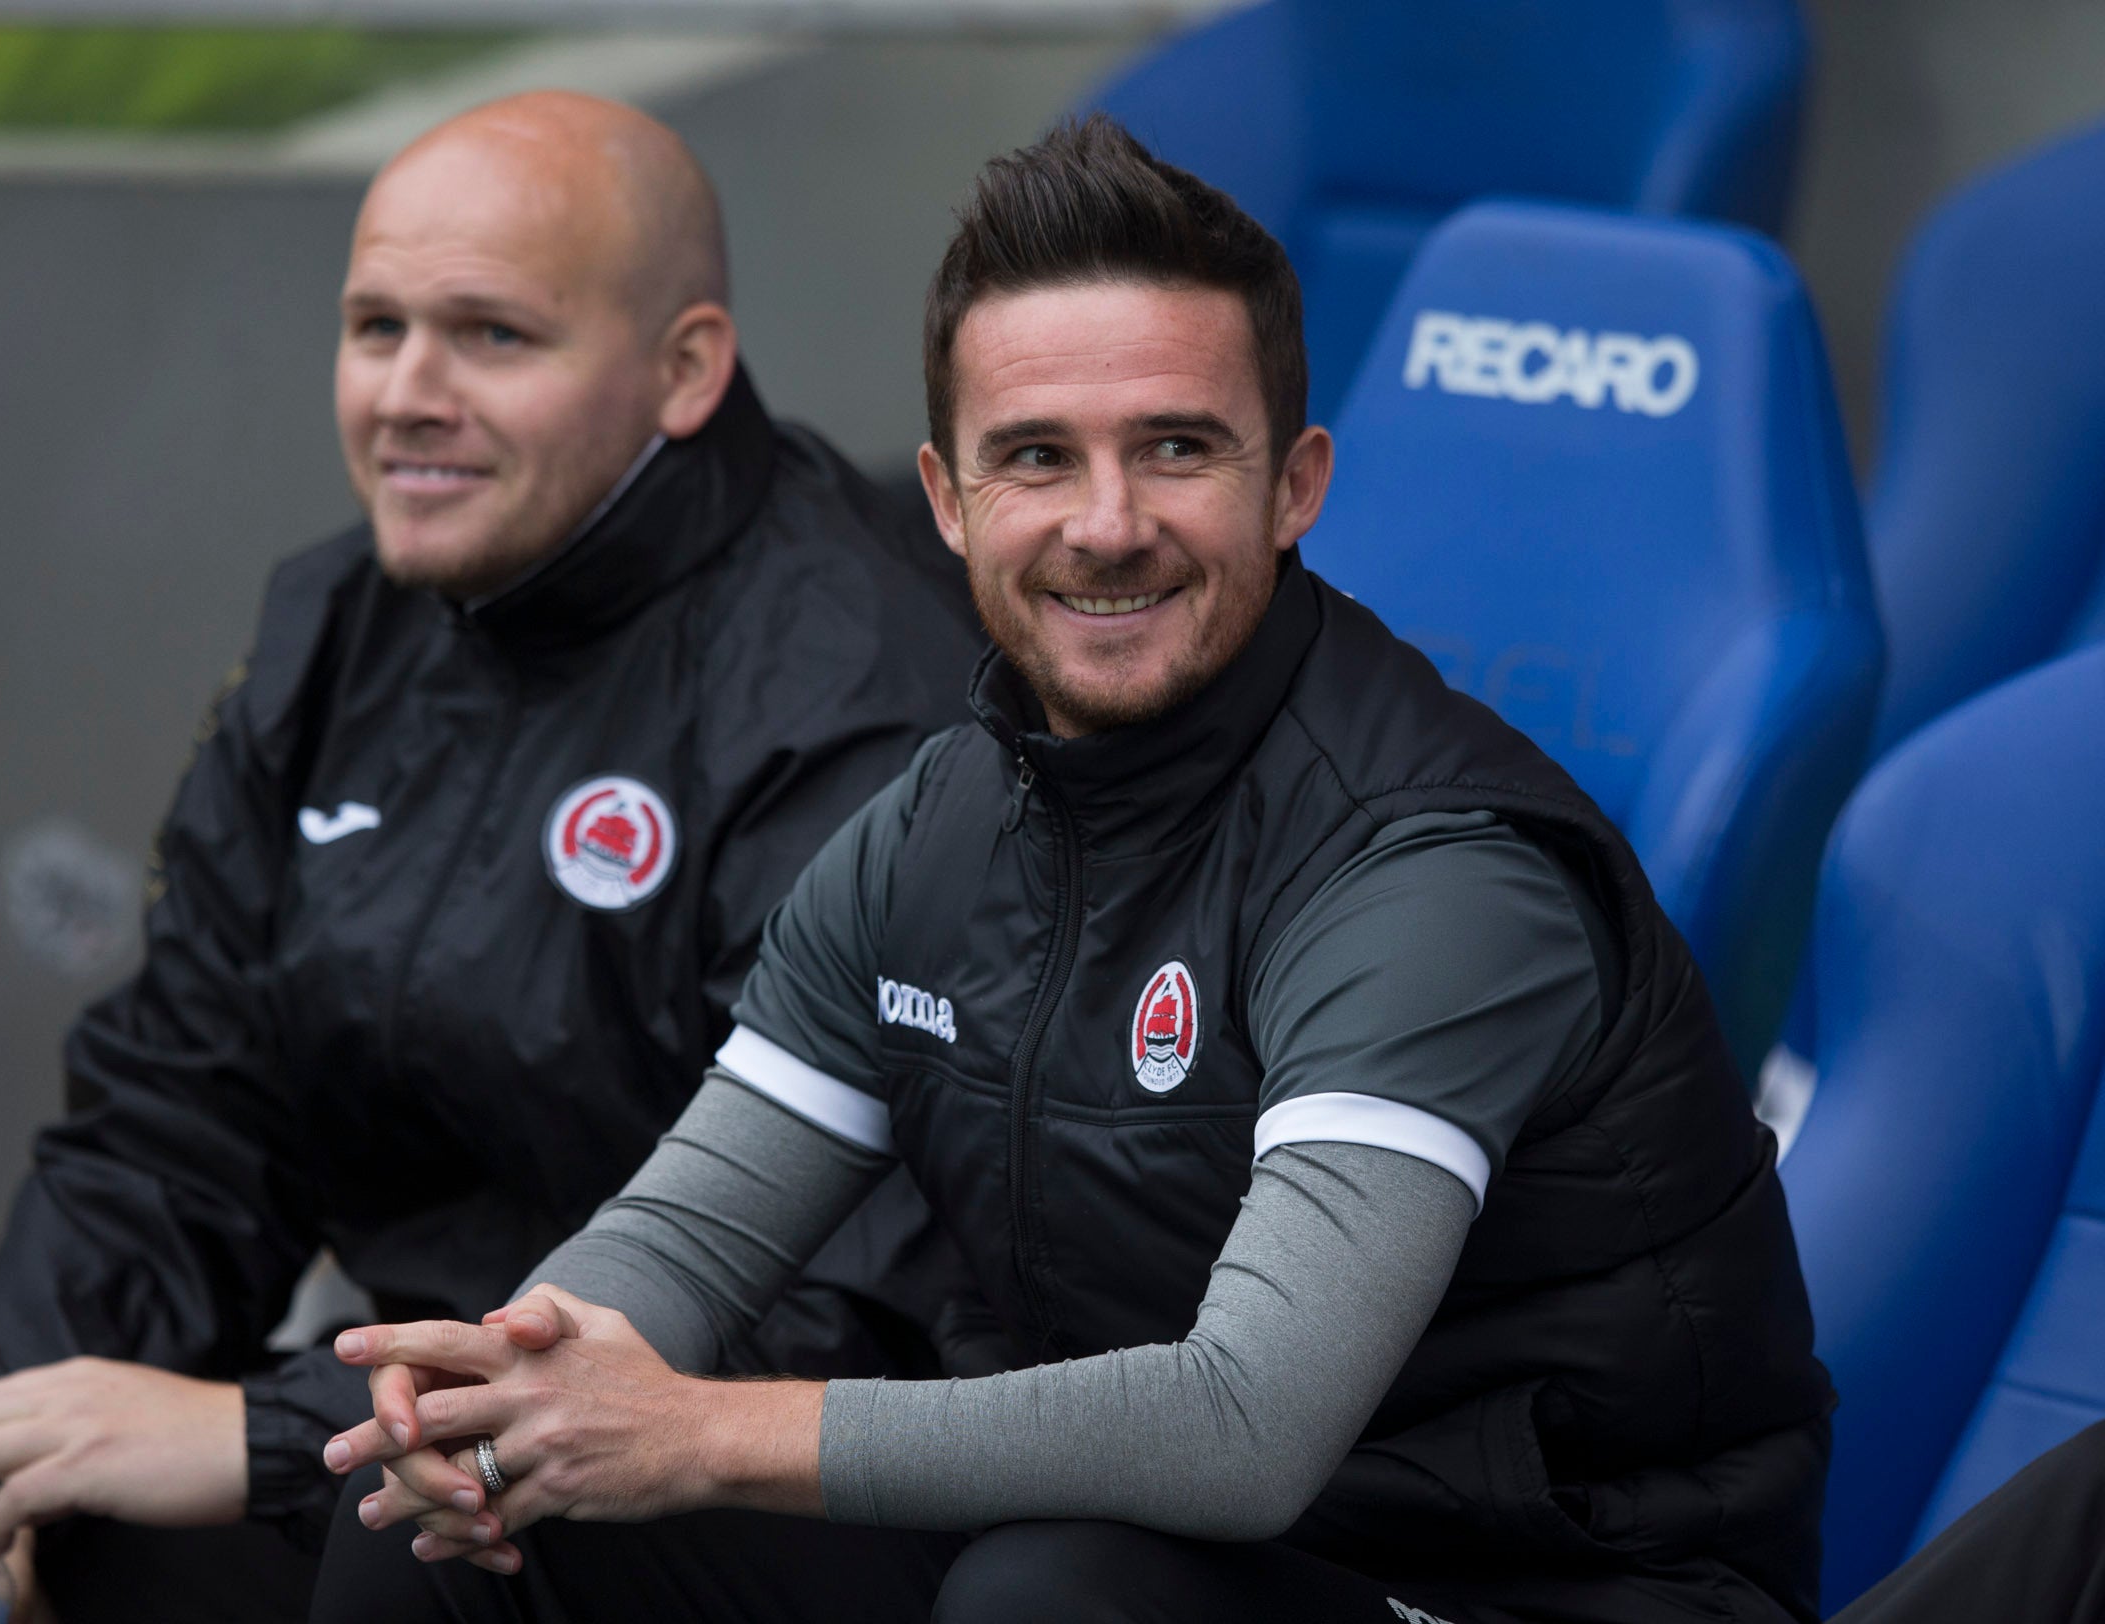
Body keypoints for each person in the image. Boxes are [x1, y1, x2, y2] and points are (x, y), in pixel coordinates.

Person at [307, 115, 1833, 1624]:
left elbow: (1245, 1428)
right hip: (1136, 1556)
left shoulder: (1430, 869)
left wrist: (695, 1433)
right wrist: (521, 1389)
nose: (1108, 526)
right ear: (950, 500)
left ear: (1293, 484)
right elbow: (690, 1236)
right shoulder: (937, 827)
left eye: (1176, 448)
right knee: (457, 1541)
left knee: (1055, 1593)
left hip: (1531, 1592)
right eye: (1037, 457)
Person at [0, 90, 986, 1624]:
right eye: (375, 330)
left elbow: (833, 1322)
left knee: (394, 1548)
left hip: (712, 1493)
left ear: (684, 370)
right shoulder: (335, 630)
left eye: (492, 337)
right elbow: (179, 1129)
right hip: (391, 1433)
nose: (408, 392)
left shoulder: (857, 691)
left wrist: (261, 1435)